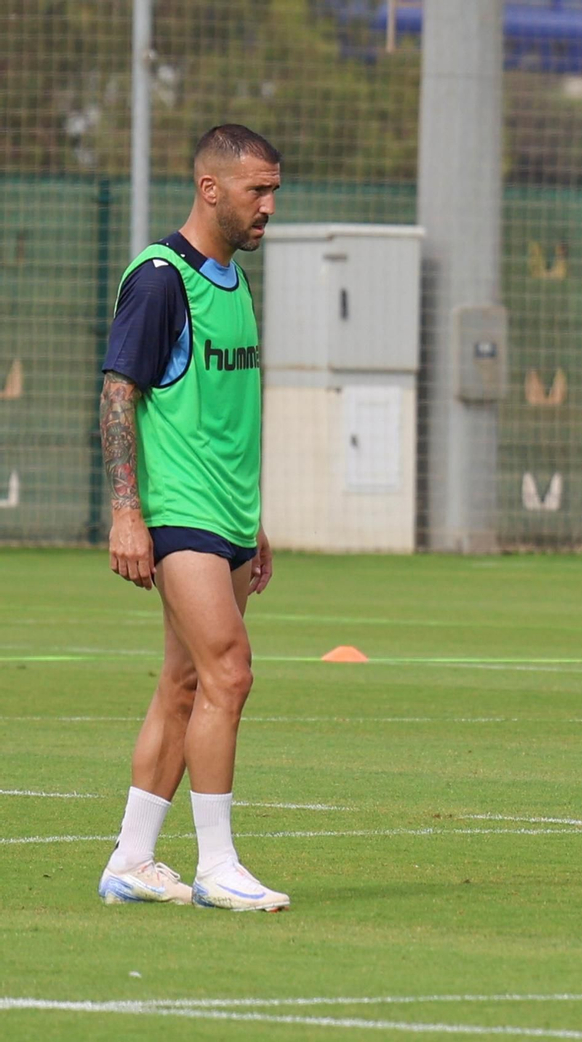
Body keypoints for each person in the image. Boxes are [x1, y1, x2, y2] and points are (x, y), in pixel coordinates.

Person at [96, 124, 289, 911]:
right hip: (180, 516)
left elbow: (222, 416)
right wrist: (126, 513)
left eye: (274, 190)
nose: (269, 206)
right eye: (258, 190)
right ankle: (217, 866)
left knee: (183, 683)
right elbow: (118, 394)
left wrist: (256, 523)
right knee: (229, 672)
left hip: (229, 520)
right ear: (210, 189)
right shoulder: (158, 279)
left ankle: (132, 861)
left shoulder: (236, 285)